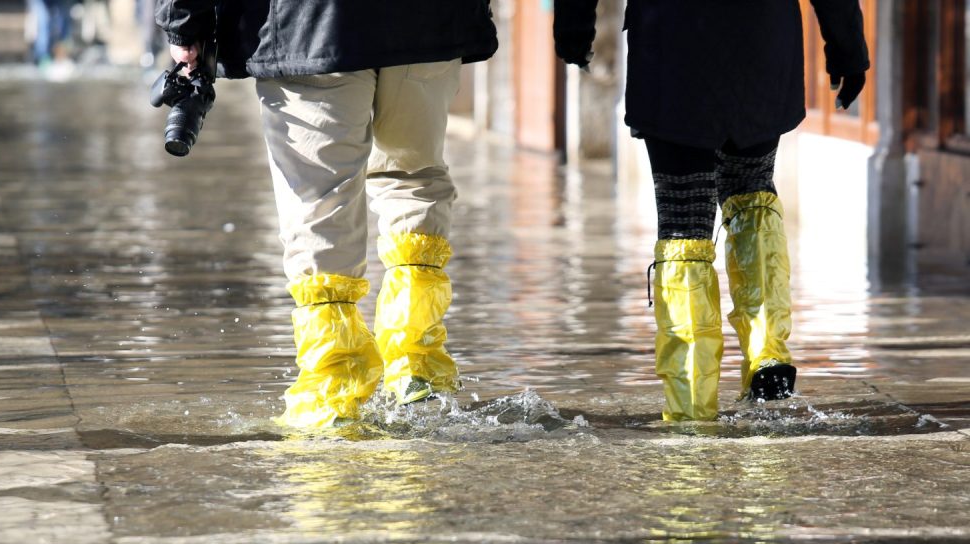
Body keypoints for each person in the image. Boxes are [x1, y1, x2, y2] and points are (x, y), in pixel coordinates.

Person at [155, 1, 498, 428]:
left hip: (306, 24)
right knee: (413, 174)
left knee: (318, 199)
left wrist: (184, 26)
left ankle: (334, 386)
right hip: (427, 22)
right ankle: (416, 358)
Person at [554, 0, 869, 422]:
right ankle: (767, 357)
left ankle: (691, 399)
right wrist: (846, 45)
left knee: (683, 218)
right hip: (760, 40)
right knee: (751, 190)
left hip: (672, 46)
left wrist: (574, 29)